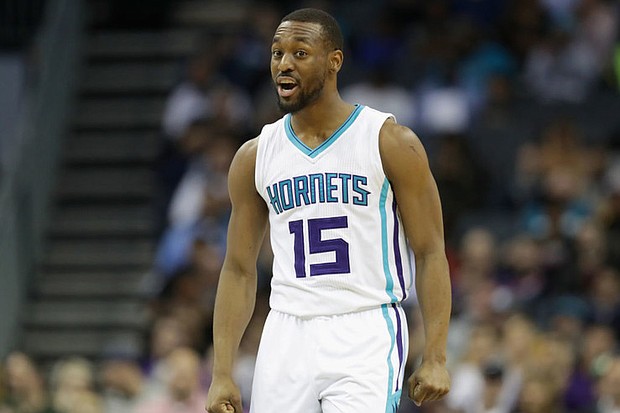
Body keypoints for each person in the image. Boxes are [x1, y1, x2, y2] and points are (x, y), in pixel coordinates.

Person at [206, 8, 451, 413]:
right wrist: (221, 372)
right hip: (286, 331)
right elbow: (238, 269)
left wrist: (436, 356)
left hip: (365, 325)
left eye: (300, 53)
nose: (284, 64)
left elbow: (430, 251)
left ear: (334, 61)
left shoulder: (389, 141)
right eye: (277, 53)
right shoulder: (254, 156)